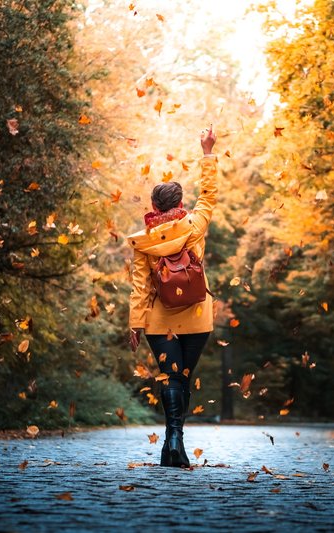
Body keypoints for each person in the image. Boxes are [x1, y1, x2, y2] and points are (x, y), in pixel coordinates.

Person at [126, 125, 218, 468]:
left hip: (159, 321)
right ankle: (174, 440)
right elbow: (209, 194)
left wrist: (136, 324)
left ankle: (172, 441)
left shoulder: (144, 242)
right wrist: (207, 151)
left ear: (153, 206)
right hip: (197, 317)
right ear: (180, 204)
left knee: (171, 377)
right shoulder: (195, 225)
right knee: (182, 378)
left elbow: (140, 286)